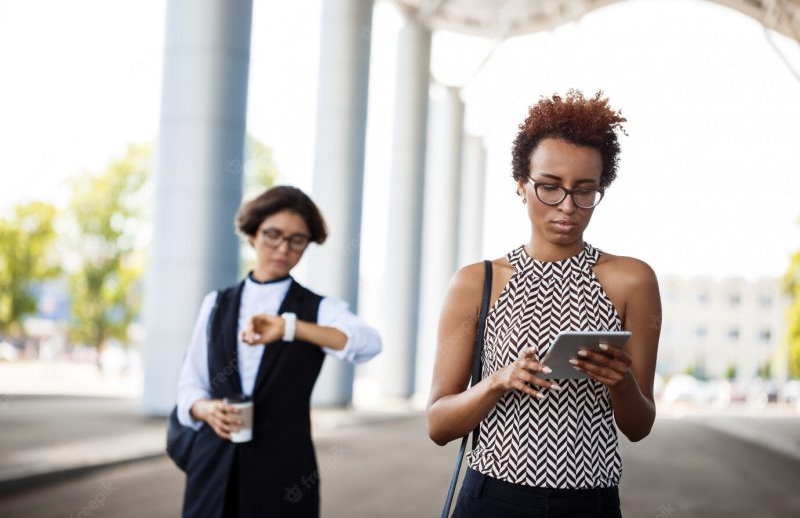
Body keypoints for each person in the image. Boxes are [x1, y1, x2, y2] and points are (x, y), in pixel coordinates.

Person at [427, 90, 661, 517]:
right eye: (550, 188)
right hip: (493, 500)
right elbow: (439, 425)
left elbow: (640, 427)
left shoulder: (633, 280)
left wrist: (621, 383)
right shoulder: (476, 282)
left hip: (590, 503)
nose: (567, 207)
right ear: (521, 185)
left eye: (585, 191)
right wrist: (498, 381)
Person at [176, 185, 381, 518]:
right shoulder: (216, 303)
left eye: (297, 240)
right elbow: (189, 384)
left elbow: (369, 343)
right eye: (273, 235)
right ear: (253, 234)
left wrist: (290, 327)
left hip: (284, 474)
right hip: (213, 468)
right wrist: (205, 408)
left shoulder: (318, 307)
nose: (283, 248)